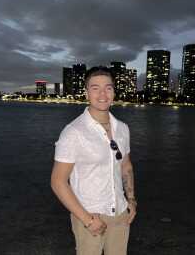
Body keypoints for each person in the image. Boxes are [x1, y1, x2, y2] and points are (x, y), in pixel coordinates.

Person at [51, 66, 137, 255]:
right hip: (90, 215)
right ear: (86, 92)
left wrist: (131, 201)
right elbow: (58, 182)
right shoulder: (74, 132)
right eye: (95, 88)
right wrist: (87, 219)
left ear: (114, 91)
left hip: (121, 214)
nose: (103, 94)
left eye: (108, 87)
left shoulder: (122, 128)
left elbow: (125, 165)